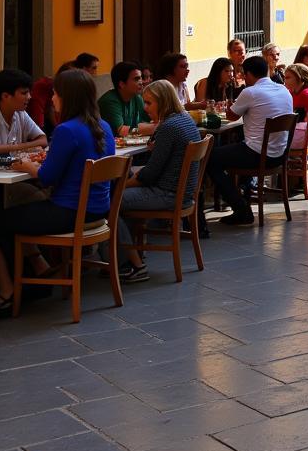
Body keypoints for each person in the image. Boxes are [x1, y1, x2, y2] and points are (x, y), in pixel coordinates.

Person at [0, 69, 115, 314]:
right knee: (18, 209)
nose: (52, 99)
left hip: (69, 212)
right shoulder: (104, 126)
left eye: (56, 94)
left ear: (68, 97)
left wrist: (27, 166)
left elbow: (47, 178)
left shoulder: (67, 130)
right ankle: (36, 269)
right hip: (97, 210)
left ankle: (7, 291)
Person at [115, 79, 203, 283]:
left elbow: (150, 175)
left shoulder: (169, 126)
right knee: (125, 183)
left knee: (110, 202)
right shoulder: (185, 119)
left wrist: (122, 186)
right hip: (183, 192)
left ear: (163, 102)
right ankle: (125, 258)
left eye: (149, 103)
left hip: (167, 194)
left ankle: (131, 264)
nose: (145, 109)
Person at [205, 56, 294, 226]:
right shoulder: (283, 90)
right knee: (223, 152)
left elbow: (231, 116)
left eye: (244, 75)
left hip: (257, 153)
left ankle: (240, 208)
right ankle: (242, 194)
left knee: (208, 158)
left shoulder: (250, 92)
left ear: (250, 74)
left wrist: (234, 104)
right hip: (279, 154)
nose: (244, 79)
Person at [0, 69, 50, 230]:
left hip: (6, 182)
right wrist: (20, 147)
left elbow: (43, 140)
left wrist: (20, 149)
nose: (29, 97)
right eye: (24, 93)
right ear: (6, 96)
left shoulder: (20, 114)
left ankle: (28, 253)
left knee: (39, 198)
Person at [98, 62, 157, 138]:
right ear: (121, 84)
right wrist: (156, 127)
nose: (141, 82)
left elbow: (152, 119)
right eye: (136, 79)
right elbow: (121, 131)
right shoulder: (110, 101)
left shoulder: (137, 97)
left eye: (141, 78)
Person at [284, 63, 308, 154]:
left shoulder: (306, 94)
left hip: (305, 136)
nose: (285, 81)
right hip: (302, 133)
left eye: (288, 78)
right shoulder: (293, 92)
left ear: (300, 78)